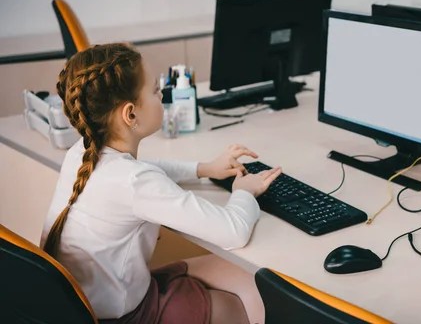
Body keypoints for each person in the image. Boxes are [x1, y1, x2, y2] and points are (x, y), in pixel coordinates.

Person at [41, 43, 282, 324]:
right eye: (156, 90)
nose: (162, 95)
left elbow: (145, 171)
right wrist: (244, 192)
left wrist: (204, 169)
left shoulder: (81, 154)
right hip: (129, 316)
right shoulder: (134, 182)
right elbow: (234, 231)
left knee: (246, 275)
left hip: (90, 306)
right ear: (130, 114)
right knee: (256, 297)